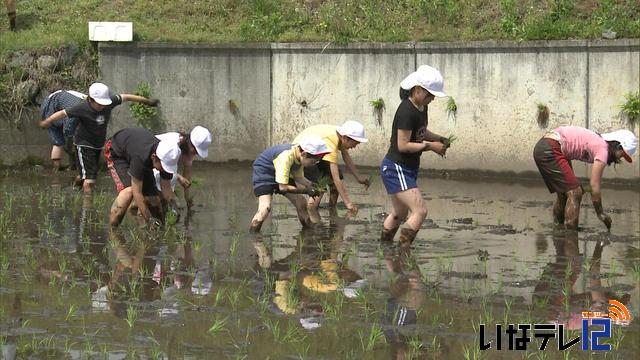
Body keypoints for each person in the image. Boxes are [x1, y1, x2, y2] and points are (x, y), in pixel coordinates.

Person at [39, 82, 159, 194]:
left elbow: (126, 97)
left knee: (84, 175)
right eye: (99, 103)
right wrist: (47, 121)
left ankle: (73, 191)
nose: (102, 106)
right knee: (90, 181)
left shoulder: (109, 103)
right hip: (84, 144)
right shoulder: (81, 107)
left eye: (103, 103)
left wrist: (147, 101)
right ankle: (87, 209)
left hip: (98, 144)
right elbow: (62, 113)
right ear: (90, 100)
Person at [380, 65, 449, 246]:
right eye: (430, 94)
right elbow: (403, 146)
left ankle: (385, 249)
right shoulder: (406, 111)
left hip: (406, 168)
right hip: (397, 167)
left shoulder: (421, 107)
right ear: (418, 90)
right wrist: (430, 146)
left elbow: (421, 132)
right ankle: (403, 255)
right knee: (420, 211)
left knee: (399, 213)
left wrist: (439, 139)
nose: (433, 98)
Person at [533, 127, 637, 230]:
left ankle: (558, 228)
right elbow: (594, 186)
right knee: (575, 192)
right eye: (622, 154)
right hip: (550, 148)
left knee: (564, 193)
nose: (619, 159)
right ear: (618, 145)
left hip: (548, 146)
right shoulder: (603, 149)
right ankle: (571, 235)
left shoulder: (598, 142)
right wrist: (601, 213)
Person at [249, 135, 330, 232]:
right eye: (313, 162)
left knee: (301, 202)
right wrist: (306, 190)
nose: (313, 165)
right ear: (303, 154)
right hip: (265, 173)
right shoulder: (286, 156)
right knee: (265, 208)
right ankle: (253, 235)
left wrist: (312, 185)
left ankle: (308, 228)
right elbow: (283, 187)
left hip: (280, 174)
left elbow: (298, 177)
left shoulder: (299, 157)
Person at [293, 120, 370, 223]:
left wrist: (358, 177)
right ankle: (312, 218)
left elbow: (346, 156)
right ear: (345, 138)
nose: (354, 146)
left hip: (317, 154)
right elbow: (336, 178)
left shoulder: (340, 136)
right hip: (304, 155)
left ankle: (332, 213)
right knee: (320, 187)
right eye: (355, 143)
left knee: (333, 186)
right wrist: (348, 203)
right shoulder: (331, 142)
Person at [104, 127, 181, 228]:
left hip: (138, 151)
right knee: (128, 192)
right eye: (163, 166)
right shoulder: (140, 158)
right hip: (117, 152)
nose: (164, 169)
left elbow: (166, 187)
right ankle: (112, 229)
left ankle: (156, 233)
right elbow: (137, 193)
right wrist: (149, 219)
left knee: (154, 200)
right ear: (154, 157)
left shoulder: (167, 156)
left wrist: (175, 208)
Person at [153, 126, 212, 208]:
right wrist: (179, 177)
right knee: (170, 178)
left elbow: (186, 178)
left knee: (171, 179)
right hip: (152, 162)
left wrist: (187, 198)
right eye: (195, 151)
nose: (196, 154)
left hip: (161, 168)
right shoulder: (172, 144)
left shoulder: (189, 151)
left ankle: (165, 203)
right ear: (190, 143)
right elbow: (159, 165)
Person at [39, 89, 86, 171]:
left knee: (60, 140)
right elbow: (68, 131)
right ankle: (57, 167)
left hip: (57, 104)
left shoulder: (86, 104)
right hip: (51, 107)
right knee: (60, 139)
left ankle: (60, 167)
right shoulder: (78, 108)